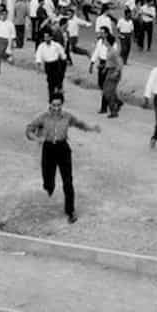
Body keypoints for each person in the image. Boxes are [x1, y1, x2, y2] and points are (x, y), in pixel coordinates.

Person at [25, 92, 101, 224]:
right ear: (50, 104)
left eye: (59, 105)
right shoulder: (43, 117)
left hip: (63, 149)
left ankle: (70, 211)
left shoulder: (67, 117)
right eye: (54, 105)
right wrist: (37, 138)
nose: (56, 108)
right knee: (48, 181)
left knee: (68, 181)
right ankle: (49, 187)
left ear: (62, 104)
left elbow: (80, 124)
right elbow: (29, 129)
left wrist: (92, 128)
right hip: (48, 149)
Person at [35, 29, 68, 102]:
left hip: (56, 65)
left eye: (47, 37)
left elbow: (63, 55)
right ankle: (51, 97)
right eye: (45, 37)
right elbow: (38, 56)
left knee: (58, 82)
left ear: (51, 37)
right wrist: (38, 66)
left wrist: (64, 64)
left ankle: (60, 98)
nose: (46, 39)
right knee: (50, 82)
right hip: (48, 66)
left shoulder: (56, 45)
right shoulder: (41, 46)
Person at [101, 32, 123, 118]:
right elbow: (110, 62)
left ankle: (114, 110)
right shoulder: (109, 50)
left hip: (114, 72)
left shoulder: (113, 51)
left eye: (105, 40)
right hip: (110, 70)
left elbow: (120, 63)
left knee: (108, 92)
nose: (104, 41)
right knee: (109, 91)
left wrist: (116, 72)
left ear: (108, 41)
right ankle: (117, 103)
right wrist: (105, 68)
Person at [0, 6, 16, 75]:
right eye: (2, 14)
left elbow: (13, 34)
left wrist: (12, 43)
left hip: (5, 41)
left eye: (5, 14)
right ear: (1, 15)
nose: (4, 16)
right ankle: (8, 57)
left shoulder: (10, 23)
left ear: (7, 15)